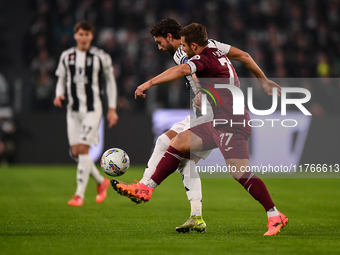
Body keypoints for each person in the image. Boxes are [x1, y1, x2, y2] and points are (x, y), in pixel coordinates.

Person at [115, 23, 288, 236]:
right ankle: (147, 187)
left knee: (239, 172)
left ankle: (274, 214)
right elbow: (242, 55)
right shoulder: (214, 48)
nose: (183, 51)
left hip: (231, 122)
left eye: (185, 46)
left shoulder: (204, 58)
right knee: (176, 143)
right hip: (214, 120)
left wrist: (148, 83)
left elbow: (183, 69)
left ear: (194, 46)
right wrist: (263, 81)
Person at [111, 18, 233, 233]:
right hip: (200, 112)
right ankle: (189, 213)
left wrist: (150, 83)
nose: (158, 47)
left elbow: (191, 70)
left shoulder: (186, 50)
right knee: (167, 144)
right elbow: (237, 57)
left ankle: (145, 188)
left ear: (170, 37)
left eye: (159, 42)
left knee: (181, 156)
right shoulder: (190, 49)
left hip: (212, 114)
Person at [54, 21, 118, 206]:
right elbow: (61, 79)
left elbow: (110, 82)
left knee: (83, 149)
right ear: (75, 36)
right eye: (80, 34)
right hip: (73, 111)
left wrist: (111, 108)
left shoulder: (100, 57)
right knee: (76, 153)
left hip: (92, 110)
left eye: (87, 34)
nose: (83, 38)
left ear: (92, 36)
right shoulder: (66, 56)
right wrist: (59, 94)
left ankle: (79, 195)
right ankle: (101, 182)